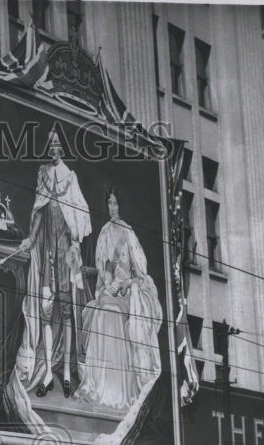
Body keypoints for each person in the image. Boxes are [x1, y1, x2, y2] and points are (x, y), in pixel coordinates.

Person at [17, 132, 91, 399]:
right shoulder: (43, 174)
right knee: (46, 314)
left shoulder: (70, 177)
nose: (54, 150)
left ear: (63, 148)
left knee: (68, 314)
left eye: (58, 146)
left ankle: (68, 373)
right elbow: (38, 214)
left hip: (66, 258)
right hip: (48, 256)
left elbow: (81, 214)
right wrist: (31, 238)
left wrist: (75, 241)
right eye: (51, 146)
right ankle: (48, 372)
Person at [76, 188, 163, 411]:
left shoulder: (128, 234)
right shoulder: (105, 232)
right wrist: (108, 285)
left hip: (127, 290)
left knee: (113, 312)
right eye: (109, 203)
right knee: (101, 309)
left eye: (115, 203)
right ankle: (99, 385)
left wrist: (125, 284)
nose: (112, 207)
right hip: (110, 288)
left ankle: (118, 389)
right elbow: (106, 267)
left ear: (120, 205)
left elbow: (140, 274)